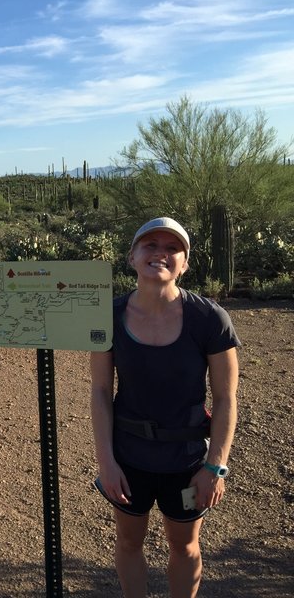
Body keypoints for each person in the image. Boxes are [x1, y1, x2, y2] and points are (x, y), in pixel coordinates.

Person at [90, 217, 240, 598]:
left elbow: (225, 399)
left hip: (187, 459)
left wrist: (215, 467)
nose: (160, 253)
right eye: (150, 245)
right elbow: (100, 392)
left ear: (185, 263)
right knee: (127, 542)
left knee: (185, 545)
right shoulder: (108, 316)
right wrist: (106, 463)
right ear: (132, 256)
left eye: (172, 248)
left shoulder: (209, 319)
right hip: (129, 456)